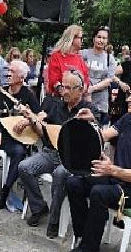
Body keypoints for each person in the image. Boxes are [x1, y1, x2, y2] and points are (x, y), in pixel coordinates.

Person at [63, 83, 131, 252]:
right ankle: (85, 239)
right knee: (74, 182)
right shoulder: (127, 119)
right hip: (117, 179)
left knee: (99, 192)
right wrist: (92, 122)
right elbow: (102, 136)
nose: (128, 98)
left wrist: (112, 170)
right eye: (129, 94)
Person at [17, 70, 96, 235]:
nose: (63, 91)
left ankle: (54, 221)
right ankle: (39, 207)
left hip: (72, 159)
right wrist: (31, 119)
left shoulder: (88, 109)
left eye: (68, 88)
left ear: (80, 90)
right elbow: (43, 133)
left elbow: (99, 133)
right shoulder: (57, 106)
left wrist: (92, 121)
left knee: (60, 175)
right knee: (24, 167)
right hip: (51, 153)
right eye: (62, 87)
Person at [0, 60, 42, 210]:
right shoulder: (1, 91)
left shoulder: (28, 95)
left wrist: (27, 121)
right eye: (8, 70)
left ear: (21, 77)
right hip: (0, 134)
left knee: (19, 152)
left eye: (12, 71)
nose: (8, 73)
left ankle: (5, 191)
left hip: (17, 138)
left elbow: (40, 115)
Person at [81, 26, 116, 125]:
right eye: (99, 37)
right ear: (94, 38)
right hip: (82, 100)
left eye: (104, 38)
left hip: (101, 104)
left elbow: (109, 80)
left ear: (107, 41)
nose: (101, 40)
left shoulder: (110, 59)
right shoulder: (83, 54)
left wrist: (92, 88)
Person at [45, 25, 90, 97]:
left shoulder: (79, 58)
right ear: (72, 38)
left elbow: (86, 79)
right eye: (80, 38)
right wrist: (67, 94)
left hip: (77, 101)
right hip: (59, 100)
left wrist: (79, 93)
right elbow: (54, 81)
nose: (82, 40)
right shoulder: (56, 56)